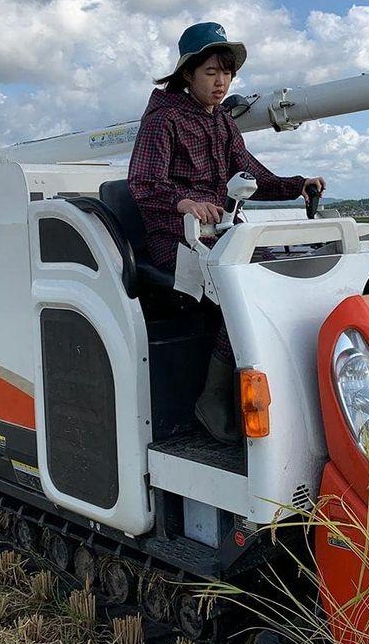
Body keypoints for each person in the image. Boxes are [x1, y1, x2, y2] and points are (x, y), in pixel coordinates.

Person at [128, 22, 325, 443]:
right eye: (211, 73)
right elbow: (143, 184)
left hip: (217, 238)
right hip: (174, 241)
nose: (222, 83)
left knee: (275, 276)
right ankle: (214, 399)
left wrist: (297, 185)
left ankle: (273, 389)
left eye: (228, 74)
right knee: (246, 287)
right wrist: (185, 202)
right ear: (187, 74)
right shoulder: (163, 120)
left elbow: (251, 174)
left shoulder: (220, 123)